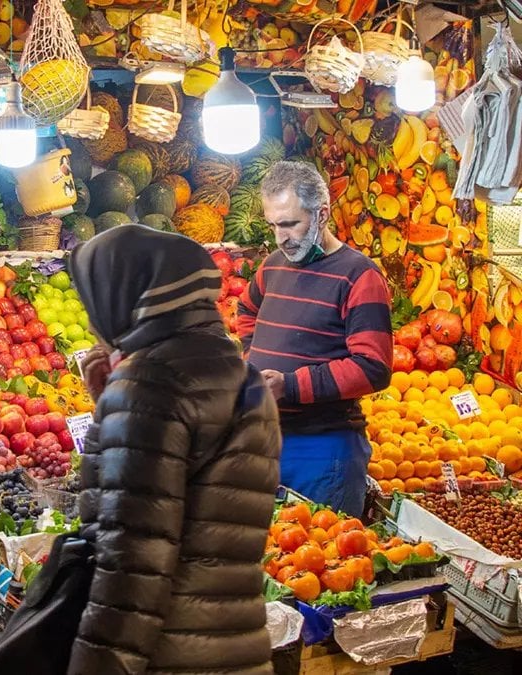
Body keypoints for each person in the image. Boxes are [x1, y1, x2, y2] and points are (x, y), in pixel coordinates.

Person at [68, 225, 281, 675]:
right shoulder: (243, 376)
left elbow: (132, 566)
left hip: (165, 655)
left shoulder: (149, 383)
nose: (90, 317)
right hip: (237, 647)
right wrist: (109, 404)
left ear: (123, 295)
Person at [236, 161, 392, 516]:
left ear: (322, 214)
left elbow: (373, 368)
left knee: (325, 559)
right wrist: (252, 357)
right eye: (273, 225)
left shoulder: (359, 275)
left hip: (323, 450)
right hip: (264, 441)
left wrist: (290, 385)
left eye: (291, 224)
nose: (281, 237)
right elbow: (246, 310)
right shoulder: (273, 265)